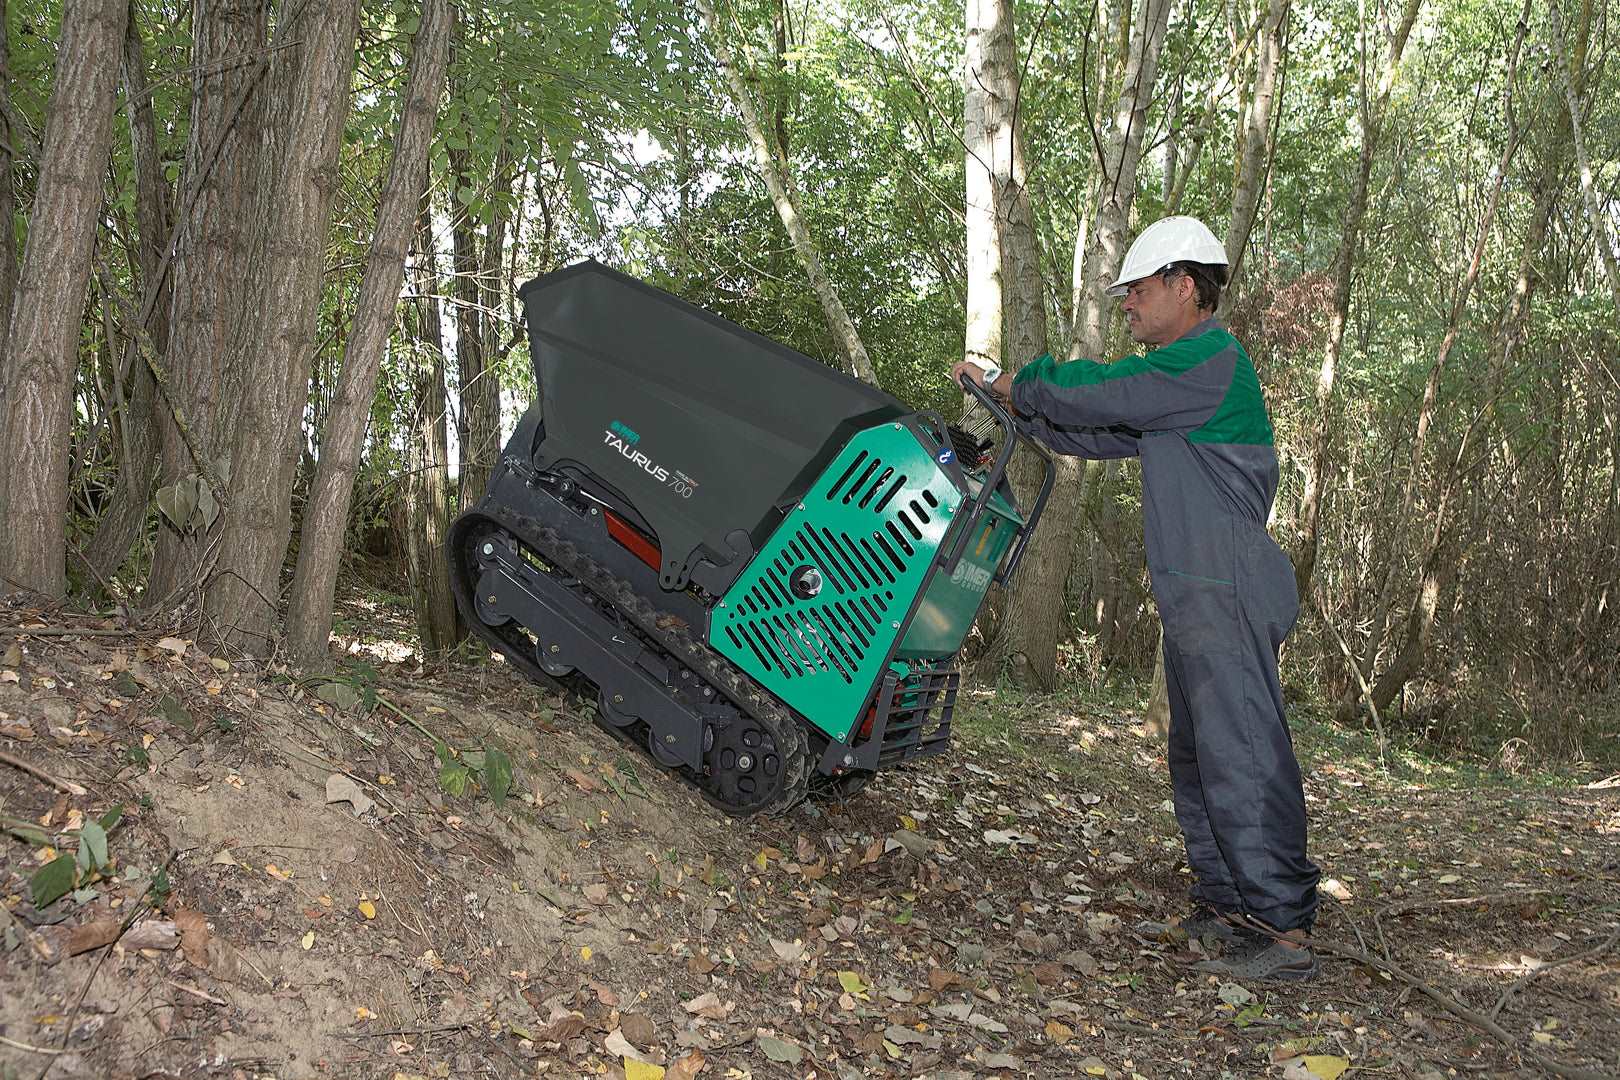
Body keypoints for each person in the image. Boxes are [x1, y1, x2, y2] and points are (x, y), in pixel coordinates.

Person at [951, 215, 1322, 981]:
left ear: (1186, 286)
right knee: (1198, 755)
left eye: (1139, 291)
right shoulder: (1178, 391)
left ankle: (1283, 930)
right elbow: (1096, 430)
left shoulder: (1207, 362)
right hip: (1199, 597)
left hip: (1227, 589)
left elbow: (1109, 389)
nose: (1128, 305)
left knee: (1242, 754)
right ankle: (1229, 904)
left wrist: (1024, 379)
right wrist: (1017, 406)